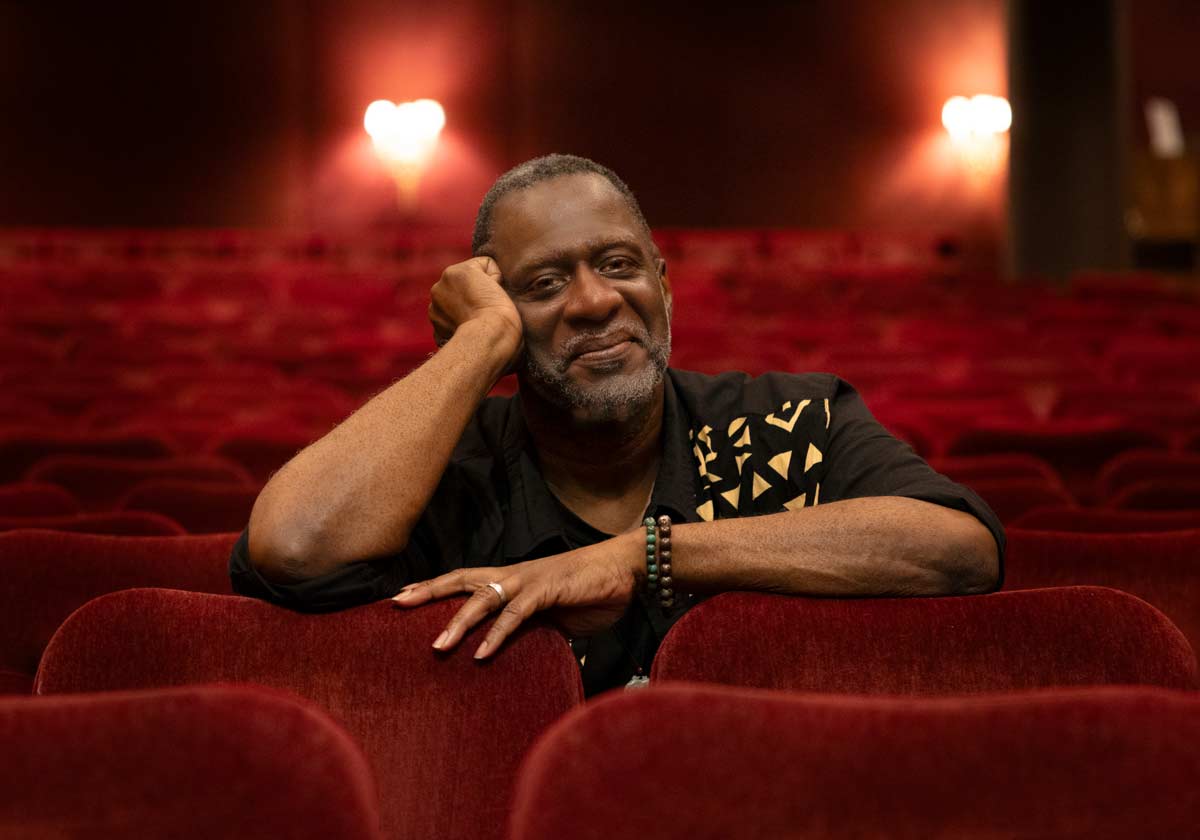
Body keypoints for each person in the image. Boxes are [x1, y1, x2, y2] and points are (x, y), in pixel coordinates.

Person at [230, 154, 1003, 696]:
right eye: (544, 283)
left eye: (620, 265)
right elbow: (295, 547)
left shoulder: (786, 422)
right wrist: (480, 344)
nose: (596, 301)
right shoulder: (451, 479)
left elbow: (959, 551)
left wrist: (645, 555)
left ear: (664, 286)